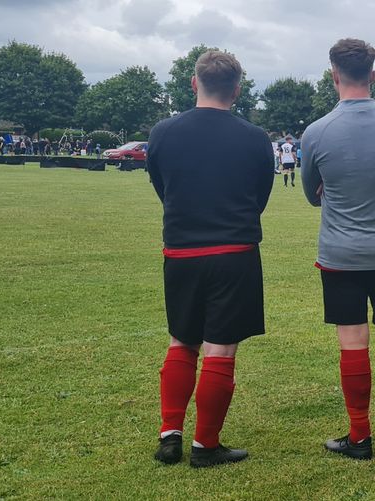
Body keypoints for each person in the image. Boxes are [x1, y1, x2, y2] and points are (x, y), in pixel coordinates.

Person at [147, 49, 273, 468]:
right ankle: (205, 445)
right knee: (221, 349)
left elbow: (161, 186)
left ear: (193, 82)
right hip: (234, 252)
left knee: (182, 340)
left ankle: (170, 434)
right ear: (237, 90)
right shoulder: (256, 138)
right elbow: (260, 198)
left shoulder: (163, 132)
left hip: (181, 250)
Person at [301, 39, 375, 461]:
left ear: (333, 75)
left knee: (352, 340)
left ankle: (359, 435)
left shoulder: (316, 132)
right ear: (373, 74)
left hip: (341, 254)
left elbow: (311, 195)